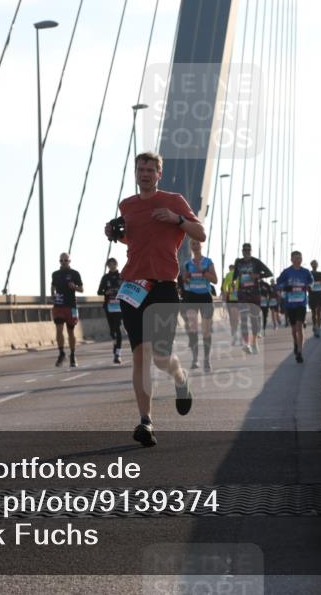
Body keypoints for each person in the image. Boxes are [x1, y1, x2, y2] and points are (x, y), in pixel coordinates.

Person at [105, 152, 204, 447]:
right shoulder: (127, 205)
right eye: (141, 169)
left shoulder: (174, 200)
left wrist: (177, 219)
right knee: (140, 354)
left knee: (160, 356)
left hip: (163, 287)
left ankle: (180, 376)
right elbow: (134, 237)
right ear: (136, 173)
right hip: (133, 286)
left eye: (150, 169)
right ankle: (145, 421)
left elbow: (200, 232)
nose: (145, 173)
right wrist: (114, 233)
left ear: (159, 173)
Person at [179, 238, 217, 372]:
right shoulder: (187, 263)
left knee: (206, 330)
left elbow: (215, 280)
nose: (195, 246)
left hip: (205, 297)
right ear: (190, 247)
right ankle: (195, 359)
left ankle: (207, 359)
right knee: (193, 328)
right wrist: (186, 277)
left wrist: (203, 271)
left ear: (201, 245)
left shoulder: (208, 262)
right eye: (192, 244)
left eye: (196, 243)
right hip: (191, 297)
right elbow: (184, 282)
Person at [233, 243, 272, 354]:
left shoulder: (256, 262)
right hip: (242, 294)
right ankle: (247, 344)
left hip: (254, 294)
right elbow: (235, 276)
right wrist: (233, 282)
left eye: (248, 250)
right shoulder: (238, 262)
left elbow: (269, 273)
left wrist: (258, 276)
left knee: (254, 319)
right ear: (242, 251)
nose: (246, 252)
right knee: (244, 319)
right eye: (244, 250)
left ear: (251, 251)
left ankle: (254, 343)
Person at [276, 250, 313, 363]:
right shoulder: (287, 272)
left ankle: (300, 352)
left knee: (299, 327)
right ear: (291, 260)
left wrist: (309, 286)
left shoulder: (306, 272)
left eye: (300, 258)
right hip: (290, 303)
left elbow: (311, 282)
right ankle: (296, 344)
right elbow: (278, 283)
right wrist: (285, 287)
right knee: (293, 330)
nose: (298, 260)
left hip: (301, 303)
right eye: (296, 258)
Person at [51, 253, 83, 368]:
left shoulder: (75, 273)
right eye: (61, 260)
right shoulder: (55, 274)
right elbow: (53, 286)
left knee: (70, 331)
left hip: (71, 306)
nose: (63, 262)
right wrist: (52, 295)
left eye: (65, 260)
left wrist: (74, 287)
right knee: (59, 329)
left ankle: (73, 355)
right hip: (58, 305)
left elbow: (81, 289)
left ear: (70, 261)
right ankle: (61, 353)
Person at [97, 257, 124, 364]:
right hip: (109, 306)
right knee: (112, 331)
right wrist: (106, 292)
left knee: (118, 329)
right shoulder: (105, 278)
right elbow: (99, 291)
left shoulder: (122, 276)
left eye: (114, 264)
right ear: (107, 266)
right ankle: (115, 343)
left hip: (119, 307)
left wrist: (119, 292)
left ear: (117, 265)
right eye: (110, 264)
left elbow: (127, 289)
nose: (112, 266)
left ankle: (118, 353)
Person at [308, 260, 321, 337]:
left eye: (315, 264)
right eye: (313, 264)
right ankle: (314, 325)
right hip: (312, 295)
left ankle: (318, 329)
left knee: (319, 312)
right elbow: (306, 284)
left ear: (317, 265)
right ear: (311, 265)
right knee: (314, 313)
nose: (314, 265)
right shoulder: (309, 274)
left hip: (320, 295)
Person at [221, 264, 240, 346]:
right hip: (238, 299)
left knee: (232, 318)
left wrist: (224, 298)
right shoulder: (239, 275)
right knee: (236, 318)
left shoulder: (228, 275)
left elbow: (224, 287)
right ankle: (236, 333)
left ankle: (234, 333)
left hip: (230, 299)